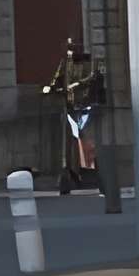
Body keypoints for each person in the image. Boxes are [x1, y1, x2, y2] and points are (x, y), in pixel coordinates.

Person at [42, 38, 105, 192]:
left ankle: (92, 172)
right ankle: (72, 172)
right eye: (69, 48)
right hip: (70, 107)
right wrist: (50, 88)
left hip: (86, 106)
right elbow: (58, 79)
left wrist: (78, 84)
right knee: (71, 141)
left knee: (87, 140)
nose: (71, 51)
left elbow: (93, 77)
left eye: (74, 48)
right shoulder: (66, 63)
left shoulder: (91, 63)